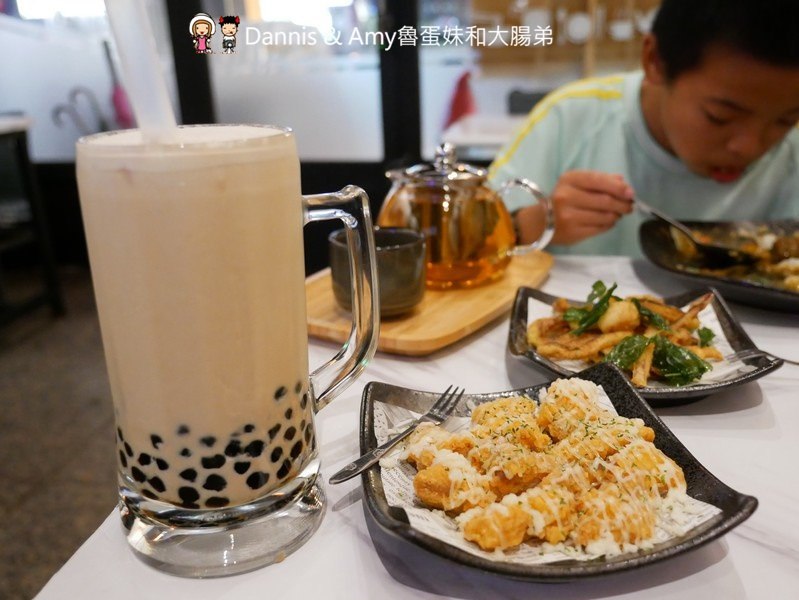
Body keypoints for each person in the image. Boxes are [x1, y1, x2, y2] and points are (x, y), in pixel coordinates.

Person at [488, 0, 799, 257]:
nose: (749, 147)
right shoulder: (570, 118)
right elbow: (473, 239)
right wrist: (530, 225)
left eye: (786, 120)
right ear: (654, 60)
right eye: (720, 116)